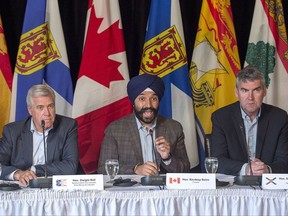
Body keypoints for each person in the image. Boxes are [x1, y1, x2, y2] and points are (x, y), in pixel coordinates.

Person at [97, 73, 190, 176]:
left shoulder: (174, 128)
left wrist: (167, 158)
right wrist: (135, 169)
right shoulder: (115, 130)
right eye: (142, 99)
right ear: (133, 102)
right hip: (130, 191)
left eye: (154, 99)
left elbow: (185, 169)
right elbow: (103, 169)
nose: (148, 105)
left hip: (164, 190)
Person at [211, 65, 288, 176]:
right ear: (236, 93)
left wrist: (267, 169)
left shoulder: (279, 117)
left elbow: (284, 160)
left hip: (268, 185)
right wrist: (246, 169)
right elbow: (217, 160)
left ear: (264, 92)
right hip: (233, 185)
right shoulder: (221, 117)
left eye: (256, 90)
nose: (250, 97)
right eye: (244, 90)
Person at [0, 84, 79, 185]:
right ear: (30, 110)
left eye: (50, 106)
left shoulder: (68, 126)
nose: (47, 113)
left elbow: (70, 167)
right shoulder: (12, 131)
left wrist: (34, 170)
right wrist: (18, 174)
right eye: (40, 107)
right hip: (21, 191)